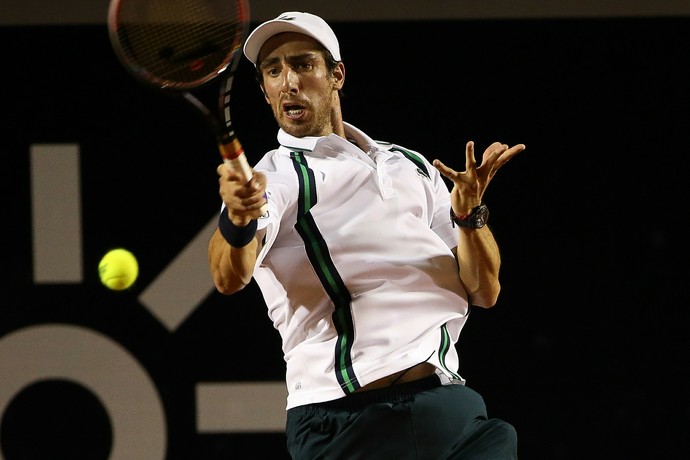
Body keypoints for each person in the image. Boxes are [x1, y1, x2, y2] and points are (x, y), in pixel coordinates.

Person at [208, 11, 525, 460]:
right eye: (273, 72)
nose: (288, 82)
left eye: (302, 65)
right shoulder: (274, 176)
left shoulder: (410, 164)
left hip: (450, 411)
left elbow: (484, 289)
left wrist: (470, 215)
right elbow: (228, 275)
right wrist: (238, 219)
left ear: (336, 75)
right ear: (264, 91)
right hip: (348, 421)